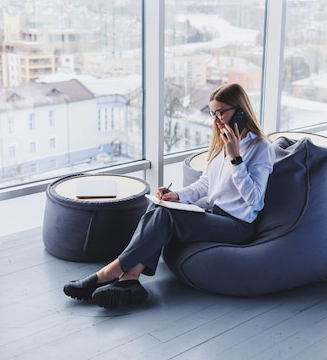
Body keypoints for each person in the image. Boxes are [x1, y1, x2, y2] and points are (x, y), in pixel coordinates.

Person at [63, 83, 275, 308]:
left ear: (240, 110)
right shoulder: (223, 143)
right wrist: (177, 195)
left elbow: (255, 200)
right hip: (215, 214)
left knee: (165, 217)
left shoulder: (261, 148)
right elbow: (204, 184)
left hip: (238, 225)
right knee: (159, 206)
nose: (216, 119)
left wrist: (236, 159)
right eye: (213, 113)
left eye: (221, 112)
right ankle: (130, 279)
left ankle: (109, 272)